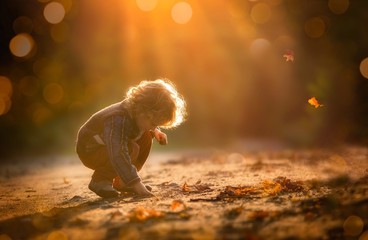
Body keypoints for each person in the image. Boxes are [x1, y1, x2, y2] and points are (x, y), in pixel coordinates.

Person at [76, 79, 187, 198]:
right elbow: (117, 152)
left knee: (146, 137)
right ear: (142, 111)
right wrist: (137, 184)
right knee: (129, 148)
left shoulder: (137, 114)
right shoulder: (118, 119)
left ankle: (122, 181)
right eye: (154, 123)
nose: (155, 127)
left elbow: (144, 127)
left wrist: (156, 131)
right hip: (90, 150)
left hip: (108, 145)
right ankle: (100, 180)